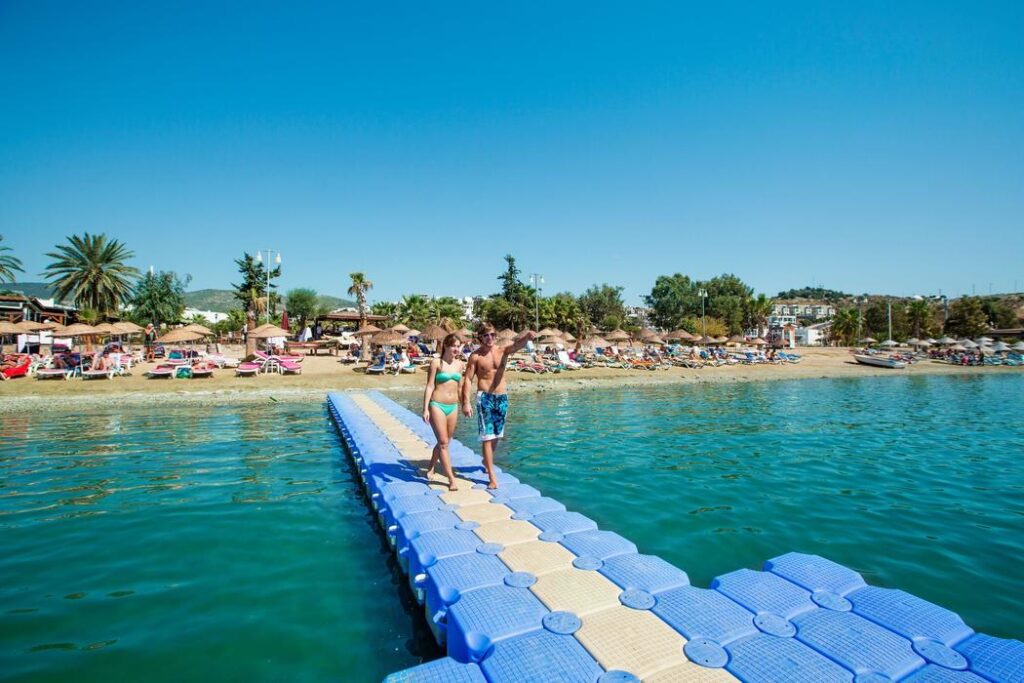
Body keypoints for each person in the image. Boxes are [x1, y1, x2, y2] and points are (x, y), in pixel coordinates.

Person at [462, 323, 536, 489]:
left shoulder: (503, 351)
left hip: (501, 398)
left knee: (496, 435)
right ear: (480, 338)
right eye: (486, 335)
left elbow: (517, 345)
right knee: (487, 437)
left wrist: (527, 337)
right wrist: (465, 402)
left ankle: (486, 461)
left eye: (493, 335)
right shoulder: (475, 356)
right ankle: (492, 477)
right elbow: (467, 379)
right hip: (485, 398)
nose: (490, 338)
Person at [422, 333, 465, 490]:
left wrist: (465, 404)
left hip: (453, 406)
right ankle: (451, 479)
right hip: (437, 405)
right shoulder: (436, 363)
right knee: (443, 443)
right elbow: (430, 386)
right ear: (446, 346)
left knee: (445, 441)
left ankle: (431, 466)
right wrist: (425, 408)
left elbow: (460, 388)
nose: (456, 349)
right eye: (453, 346)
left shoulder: (460, 365)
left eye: (458, 346)